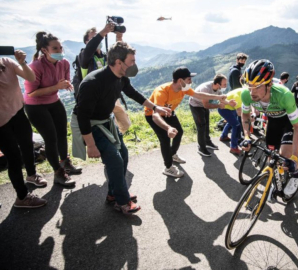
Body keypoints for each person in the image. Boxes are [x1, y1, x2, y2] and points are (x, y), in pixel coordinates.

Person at [72, 41, 170, 215]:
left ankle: (113, 194)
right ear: (118, 62)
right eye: (131, 61)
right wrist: (91, 145)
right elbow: (83, 116)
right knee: (115, 160)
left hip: (105, 121)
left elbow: (133, 93)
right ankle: (122, 201)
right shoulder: (93, 83)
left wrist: (156, 107)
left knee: (123, 155)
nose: (134, 65)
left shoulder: (120, 77)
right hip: (90, 125)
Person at [145, 67, 233, 175]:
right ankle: (168, 168)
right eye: (188, 79)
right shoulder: (162, 91)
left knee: (179, 132)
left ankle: (172, 155)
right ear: (180, 81)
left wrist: (218, 97)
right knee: (165, 139)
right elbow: (155, 115)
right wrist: (168, 128)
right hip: (153, 115)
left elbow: (199, 95)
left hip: (169, 112)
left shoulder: (184, 89)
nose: (191, 81)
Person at [24, 31, 81, 187]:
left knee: (62, 134)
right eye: (55, 48)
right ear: (44, 50)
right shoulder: (35, 67)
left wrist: (66, 84)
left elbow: (65, 80)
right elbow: (31, 92)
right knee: (51, 138)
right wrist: (56, 86)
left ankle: (65, 163)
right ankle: (58, 173)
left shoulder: (64, 63)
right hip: (35, 105)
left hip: (54, 101)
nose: (60, 51)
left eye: (60, 48)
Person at [240, 59, 298, 198]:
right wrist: (246, 136)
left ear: (269, 84)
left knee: (286, 156)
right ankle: (276, 179)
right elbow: (244, 114)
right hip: (273, 120)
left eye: (257, 87)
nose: (252, 92)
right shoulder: (246, 94)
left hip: (289, 122)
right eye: (250, 86)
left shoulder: (284, 95)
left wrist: (295, 157)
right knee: (271, 156)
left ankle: (297, 174)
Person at [0, 50, 47, 208]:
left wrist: (21, 62)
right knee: (14, 158)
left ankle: (32, 175)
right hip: (1, 122)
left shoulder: (6, 62)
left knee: (27, 145)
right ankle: (22, 197)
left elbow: (31, 77)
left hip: (18, 112)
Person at [189, 74, 232, 157]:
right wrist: (219, 105)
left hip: (205, 104)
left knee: (206, 124)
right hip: (196, 105)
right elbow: (206, 105)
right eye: (224, 84)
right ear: (217, 84)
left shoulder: (218, 89)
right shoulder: (206, 88)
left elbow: (219, 99)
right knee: (201, 126)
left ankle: (207, 142)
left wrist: (229, 103)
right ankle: (201, 148)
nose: (226, 86)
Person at [218, 88, 243, 155]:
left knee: (232, 122)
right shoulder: (239, 97)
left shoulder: (241, 91)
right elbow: (239, 113)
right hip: (224, 109)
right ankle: (233, 147)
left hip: (229, 108)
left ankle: (223, 136)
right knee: (236, 125)